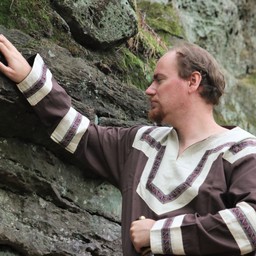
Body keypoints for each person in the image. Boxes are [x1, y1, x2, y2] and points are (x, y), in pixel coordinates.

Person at [0, 34, 256, 256]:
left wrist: (157, 234)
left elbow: (250, 226)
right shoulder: (140, 144)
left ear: (193, 81)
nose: (149, 90)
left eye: (159, 80)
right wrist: (29, 77)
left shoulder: (242, 150)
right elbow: (81, 135)